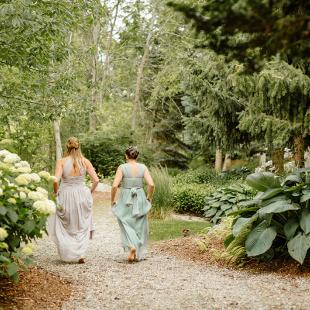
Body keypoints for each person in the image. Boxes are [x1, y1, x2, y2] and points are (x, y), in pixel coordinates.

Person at [48, 137, 99, 263]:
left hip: (66, 194)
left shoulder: (62, 161)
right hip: (82, 193)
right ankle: (80, 254)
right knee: (81, 224)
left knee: (67, 224)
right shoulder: (85, 161)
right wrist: (89, 192)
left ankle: (69, 252)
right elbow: (96, 180)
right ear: (78, 146)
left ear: (67, 147)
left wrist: (56, 192)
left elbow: (55, 180)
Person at [111, 146, 155, 263]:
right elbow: (151, 184)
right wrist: (148, 198)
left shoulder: (122, 167)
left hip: (126, 197)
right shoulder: (143, 167)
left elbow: (115, 185)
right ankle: (136, 247)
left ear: (126, 156)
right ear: (137, 156)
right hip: (140, 195)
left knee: (124, 220)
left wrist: (113, 200)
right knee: (140, 223)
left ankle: (131, 246)